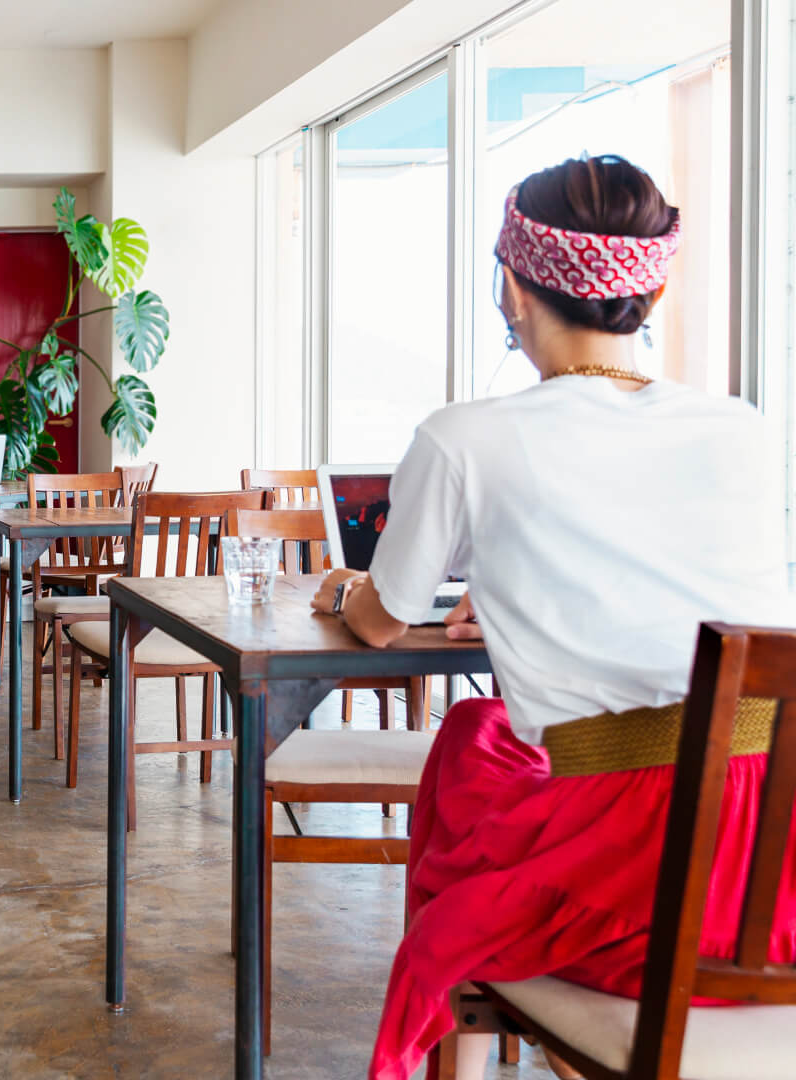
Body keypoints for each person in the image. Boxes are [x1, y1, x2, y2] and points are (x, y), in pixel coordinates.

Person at [315, 156, 794, 1080]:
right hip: (780, 851)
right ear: (645, 285)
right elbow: (689, 594)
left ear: (510, 284)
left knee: (470, 761)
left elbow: (382, 623)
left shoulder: (466, 436)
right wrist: (517, 610)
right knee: (481, 728)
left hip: (654, 874)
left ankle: (491, 1042)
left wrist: (342, 589)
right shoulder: (741, 427)